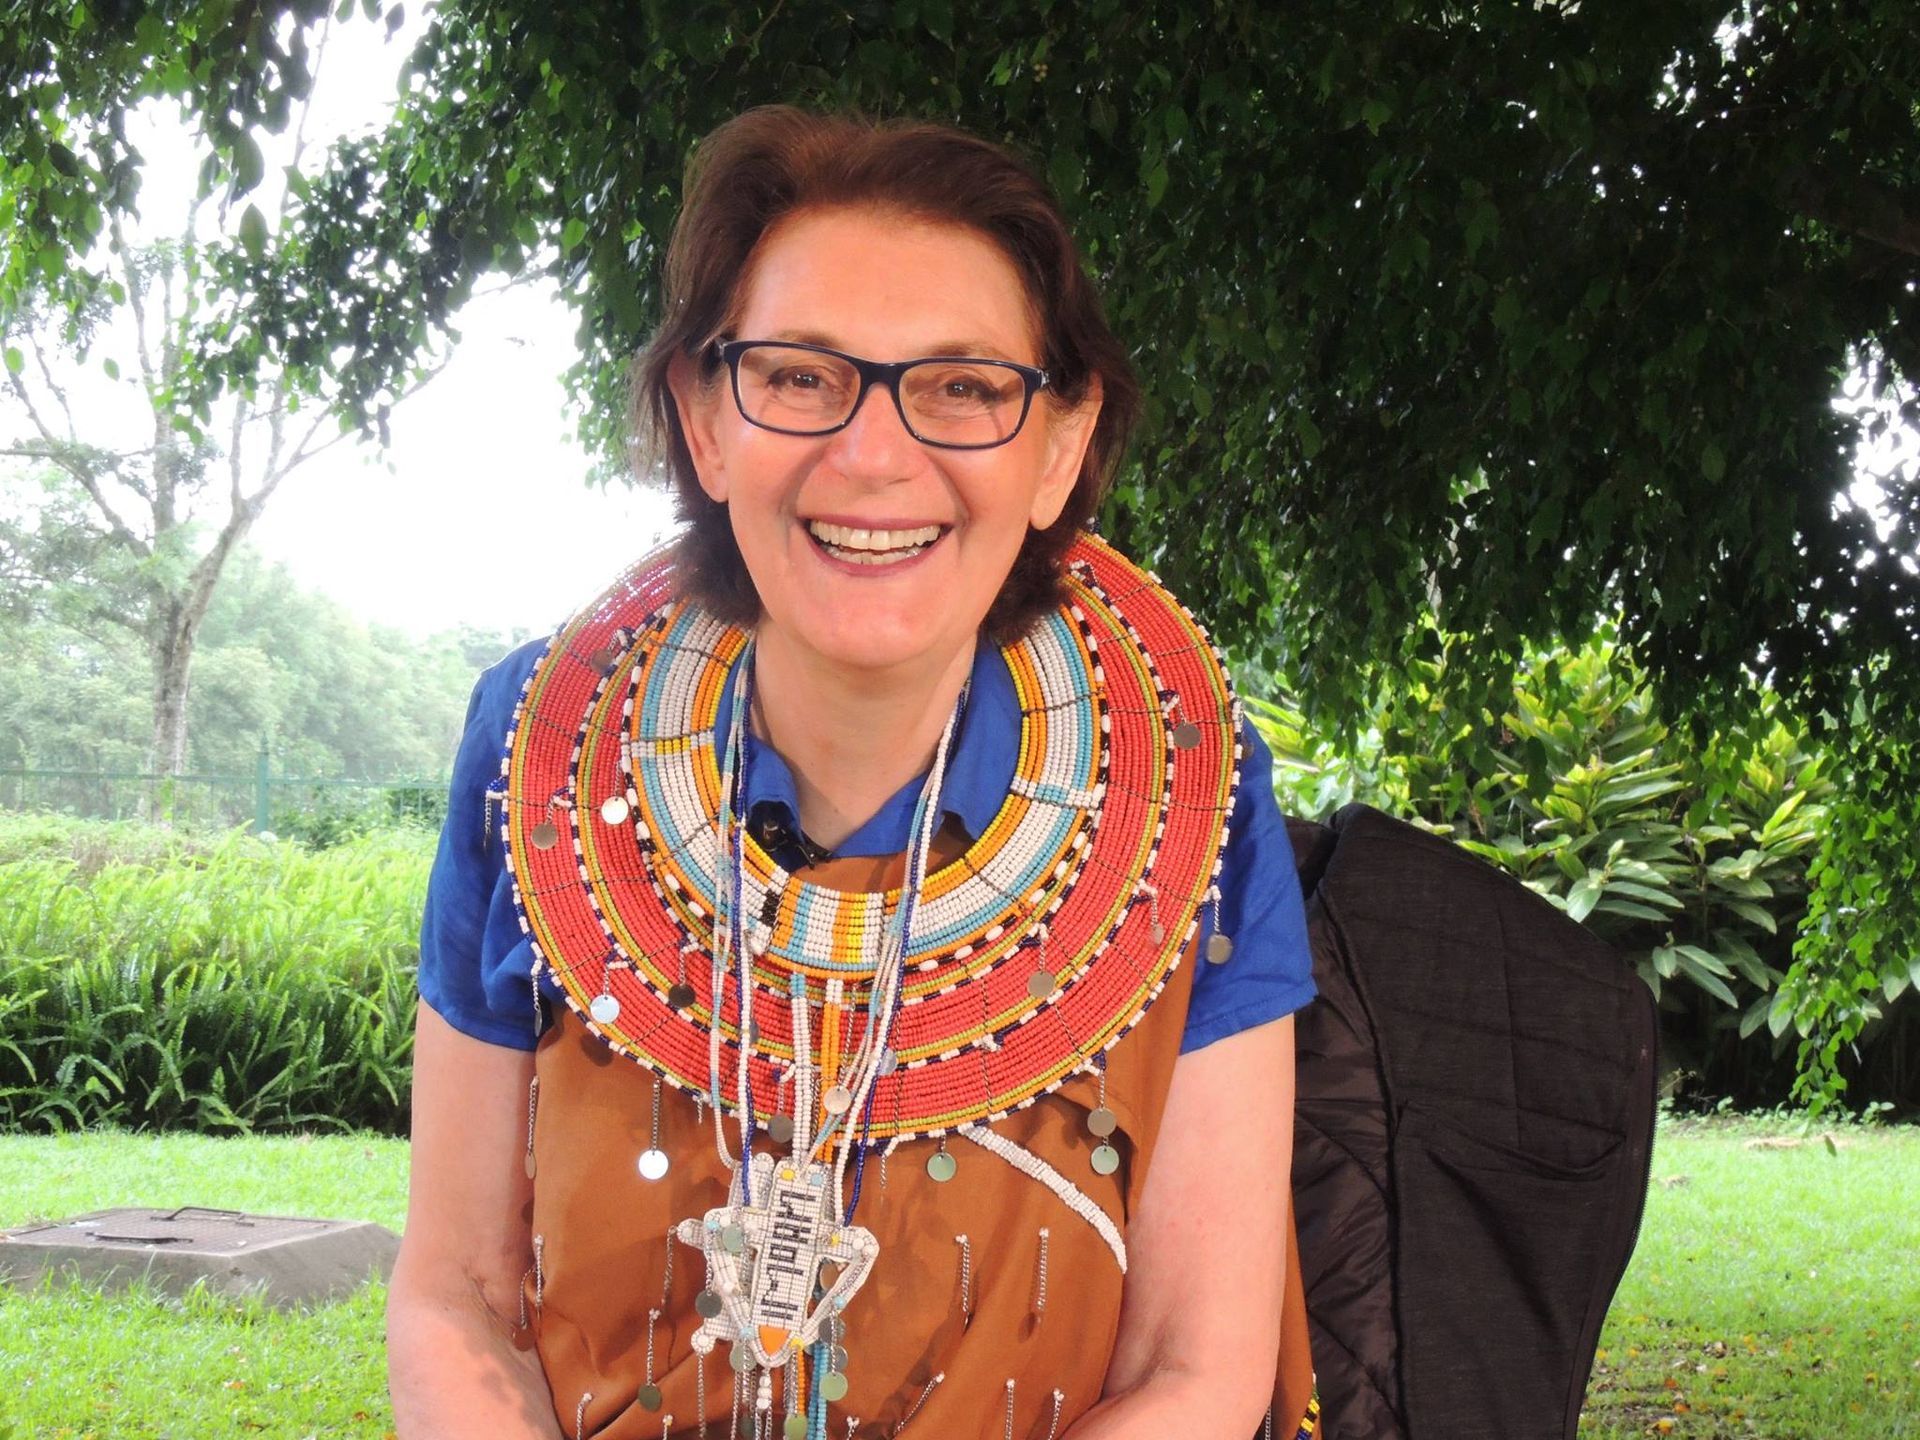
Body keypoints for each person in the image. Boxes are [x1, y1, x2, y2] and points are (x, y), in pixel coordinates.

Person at [387, 106, 1318, 1440]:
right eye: (801, 377)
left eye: (964, 387)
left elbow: (1195, 1365)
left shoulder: (1182, 793)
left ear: (1059, 444)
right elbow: (456, 1295)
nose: (875, 455)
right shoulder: (534, 756)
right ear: (709, 425)